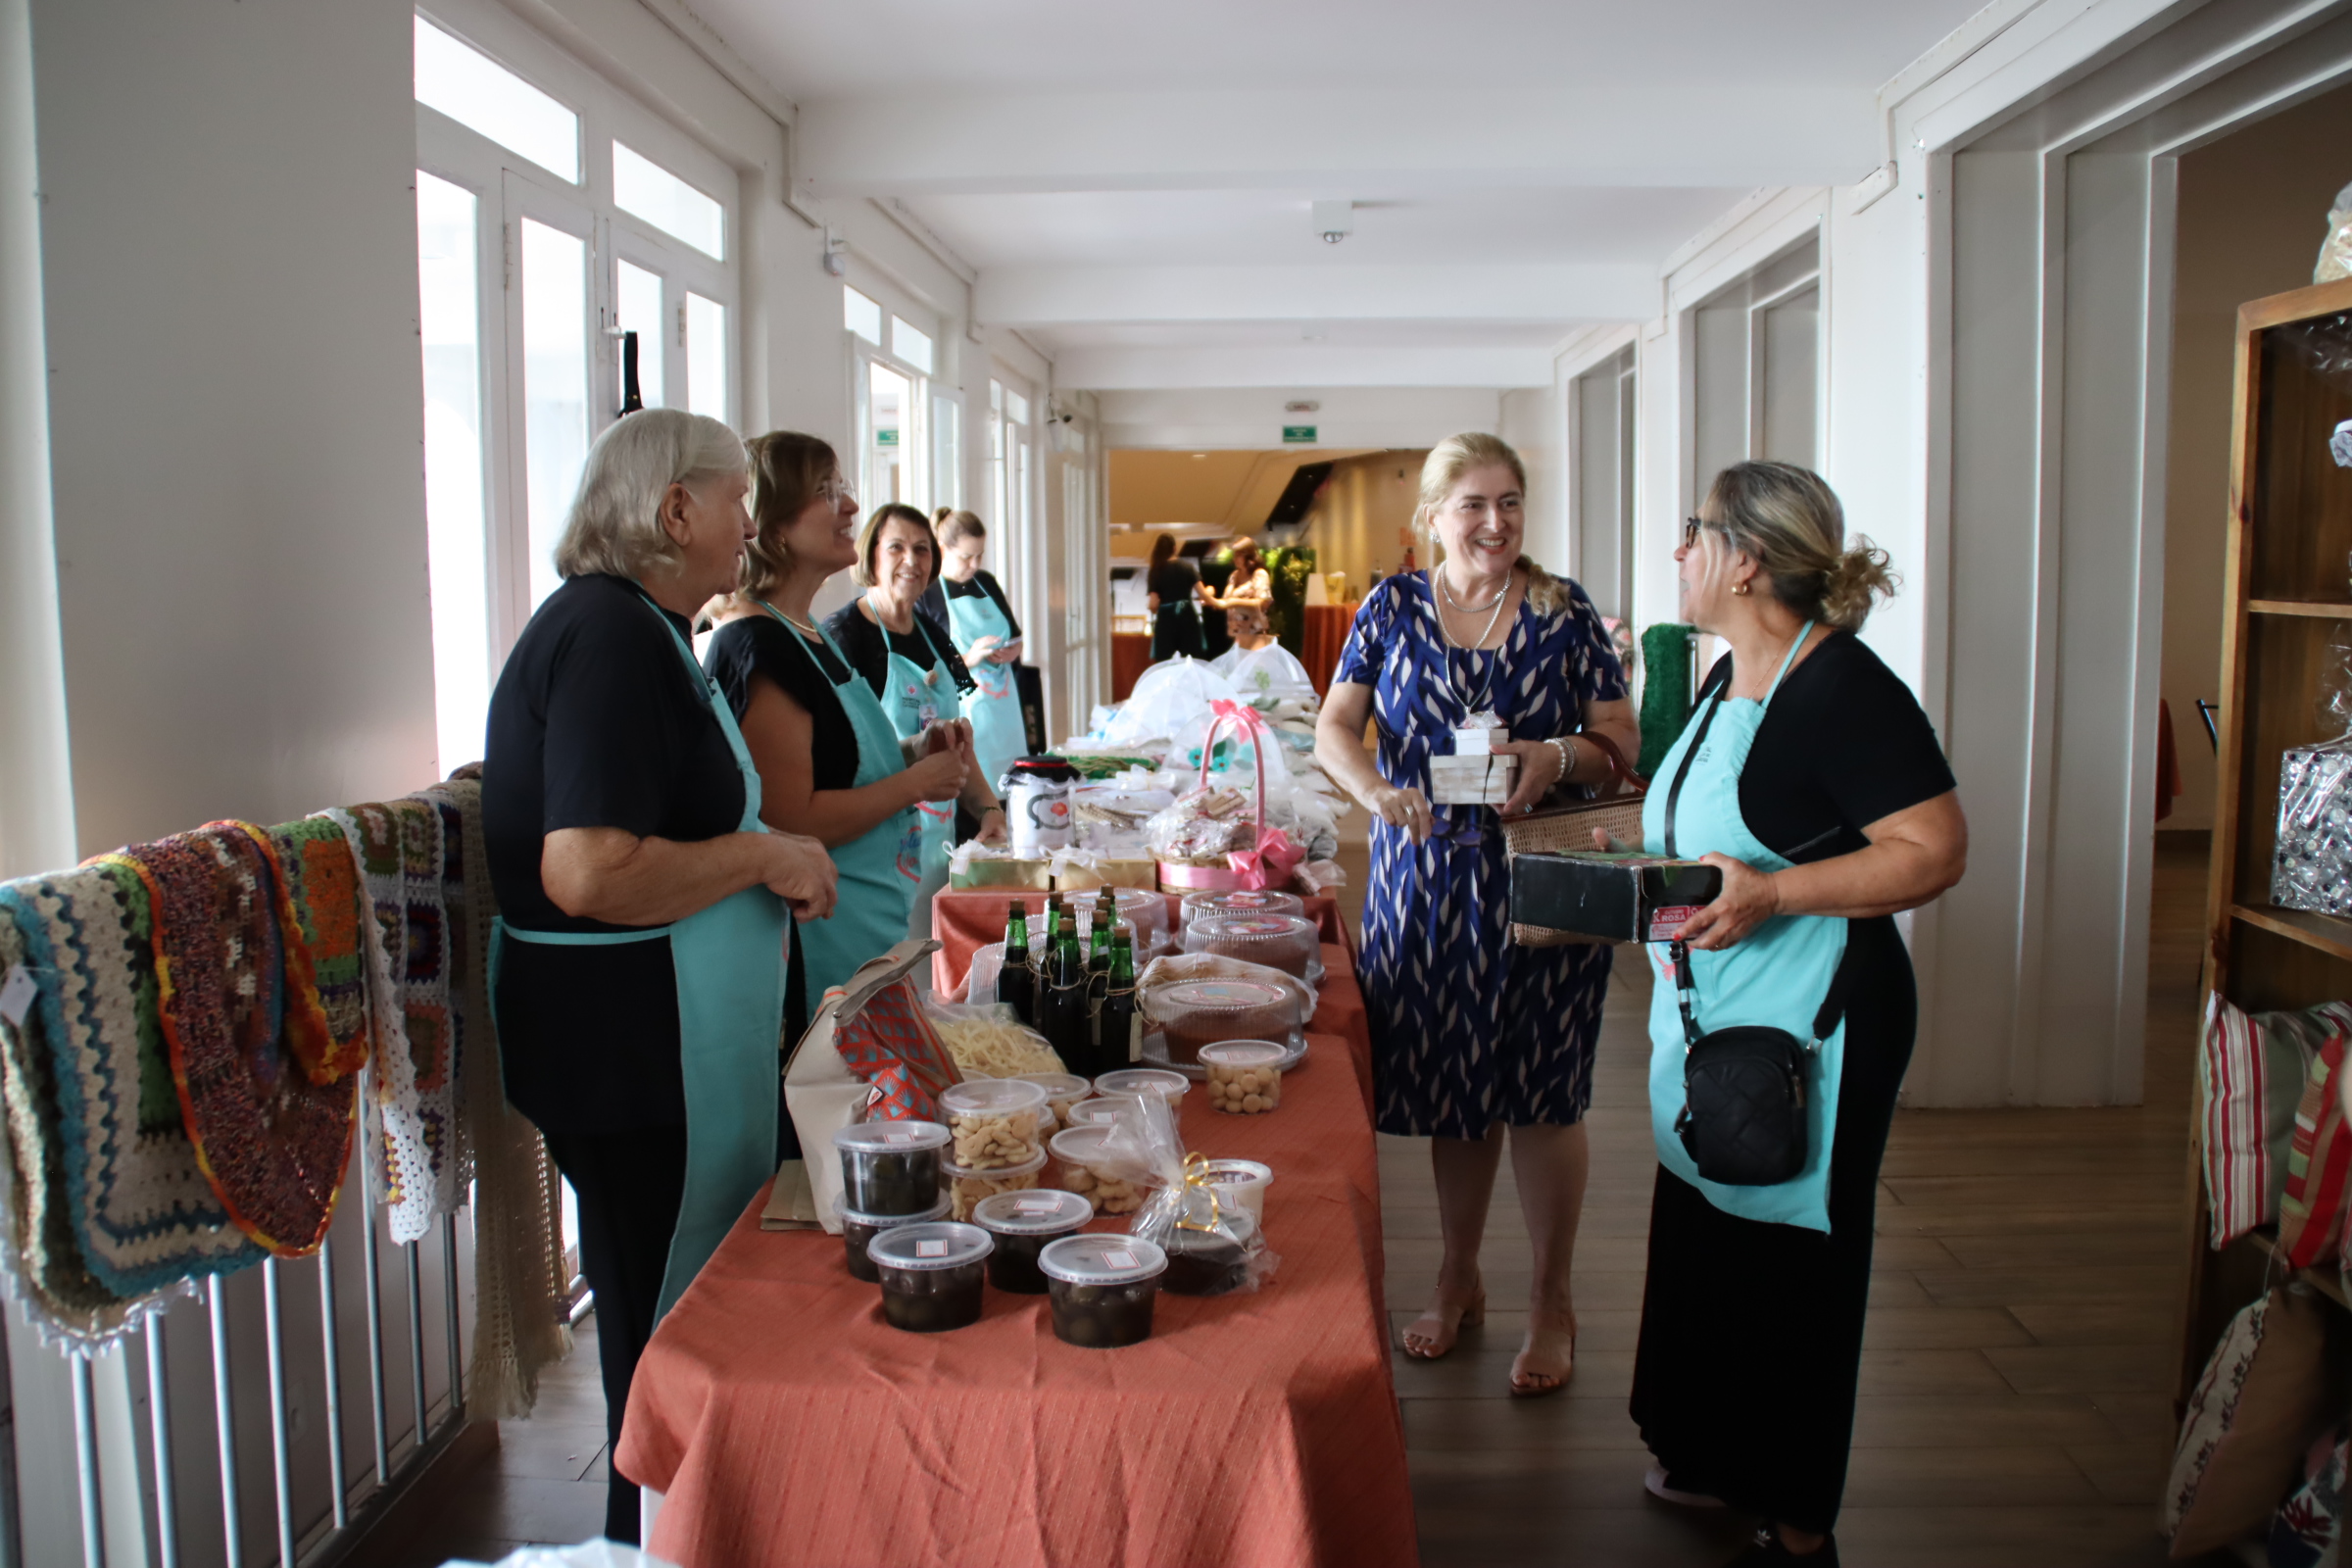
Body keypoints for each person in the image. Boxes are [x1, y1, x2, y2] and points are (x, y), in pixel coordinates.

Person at [482, 410, 838, 1544]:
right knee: (658, 1327)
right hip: (632, 1051)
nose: (748, 525)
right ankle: (653, 1538)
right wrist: (766, 854)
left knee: (670, 1317)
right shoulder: (610, 638)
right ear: (673, 509)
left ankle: (679, 1528)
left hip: (659, 1041)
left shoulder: (645, 628)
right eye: (736, 499)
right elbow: (585, 869)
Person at [1630, 463, 1966, 1566]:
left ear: (1747, 557)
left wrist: (1772, 895)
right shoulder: (1734, 670)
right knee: (1712, 1214)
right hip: (1719, 1008)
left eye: (1693, 532)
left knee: (1795, 1252)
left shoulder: (1845, 689)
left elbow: (1932, 850)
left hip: (1817, 1018)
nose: (1678, 551)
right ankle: (1717, 1453)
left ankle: (1800, 1514)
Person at [1314, 432, 1638, 1396]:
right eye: (1473, 504)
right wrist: (1372, 792)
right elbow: (1336, 725)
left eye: (1510, 503)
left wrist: (1558, 756)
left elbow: (1619, 736)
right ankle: (1457, 1276)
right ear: (1433, 516)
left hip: (1537, 877)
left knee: (1543, 1091)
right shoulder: (1391, 606)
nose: (1494, 523)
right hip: (1424, 878)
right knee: (1458, 1088)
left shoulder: (1561, 608)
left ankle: (1552, 1299)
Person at [704, 437, 971, 1005]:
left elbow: (839, 767)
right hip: (823, 934)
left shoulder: (809, 632)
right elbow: (792, 816)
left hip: (869, 922)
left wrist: (913, 750)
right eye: (827, 493)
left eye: (844, 489)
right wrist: (917, 784)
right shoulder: (756, 643)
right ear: (771, 525)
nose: (850, 507)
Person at [825, 503, 1007, 941]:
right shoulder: (843, 637)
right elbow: (836, 768)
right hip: (870, 854)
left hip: (935, 848)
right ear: (871, 556)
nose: (912, 560)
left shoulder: (932, 635)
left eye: (922, 549)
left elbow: (957, 746)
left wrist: (989, 809)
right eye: (897, 548)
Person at [927, 508, 1029, 792]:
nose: (974, 564)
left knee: (1010, 787)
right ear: (942, 549)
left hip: (1004, 708)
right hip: (965, 707)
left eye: (979, 555)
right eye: (966, 556)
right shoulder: (930, 592)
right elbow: (925, 664)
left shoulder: (986, 582)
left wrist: (1013, 651)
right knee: (975, 788)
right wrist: (970, 657)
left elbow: (1016, 636)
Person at [1145, 532, 1204, 662]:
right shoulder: (1188, 567)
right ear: (1174, 548)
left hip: (1166, 620)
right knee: (1190, 659)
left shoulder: (1156, 571)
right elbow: (1203, 594)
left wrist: (1153, 608)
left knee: (1166, 661)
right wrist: (1212, 593)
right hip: (1187, 617)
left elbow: (1153, 604)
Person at [1202, 535, 1273, 645]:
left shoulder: (1259, 574)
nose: (1235, 558)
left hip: (1254, 633)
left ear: (1249, 556)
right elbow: (1225, 602)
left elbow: (1263, 603)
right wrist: (1210, 601)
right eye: (1234, 554)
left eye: (1239, 555)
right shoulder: (1233, 576)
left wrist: (1235, 602)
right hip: (1236, 634)